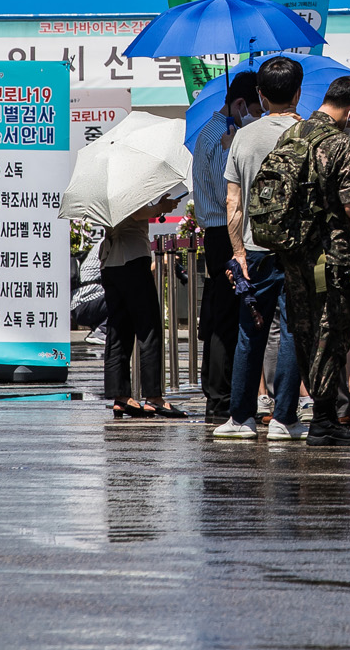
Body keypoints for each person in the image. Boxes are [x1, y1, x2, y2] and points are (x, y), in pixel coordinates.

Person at [276, 76, 350, 447]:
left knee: (303, 331)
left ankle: (318, 413)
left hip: (292, 252)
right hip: (328, 256)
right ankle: (324, 420)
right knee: (331, 332)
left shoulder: (291, 133)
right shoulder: (340, 144)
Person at [216, 57, 304, 441]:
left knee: (250, 332)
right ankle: (285, 418)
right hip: (298, 249)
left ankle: (241, 418)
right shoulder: (307, 133)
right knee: (292, 331)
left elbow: (232, 201)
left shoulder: (243, 137)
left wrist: (238, 252)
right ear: (299, 92)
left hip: (253, 247)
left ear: (261, 95)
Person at [193, 72, 258, 423]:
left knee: (222, 316)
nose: (257, 117)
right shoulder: (222, 135)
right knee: (225, 321)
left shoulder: (218, 131)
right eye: (255, 110)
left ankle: (219, 395)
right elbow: (225, 195)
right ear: (239, 105)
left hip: (219, 232)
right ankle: (219, 398)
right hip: (223, 232)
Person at [100, 193, 186, 419]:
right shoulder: (129, 180)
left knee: (119, 330)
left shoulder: (106, 187)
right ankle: (154, 397)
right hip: (132, 257)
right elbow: (136, 212)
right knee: (149, 328)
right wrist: (161, 207)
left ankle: (120, 396)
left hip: (110, 261)